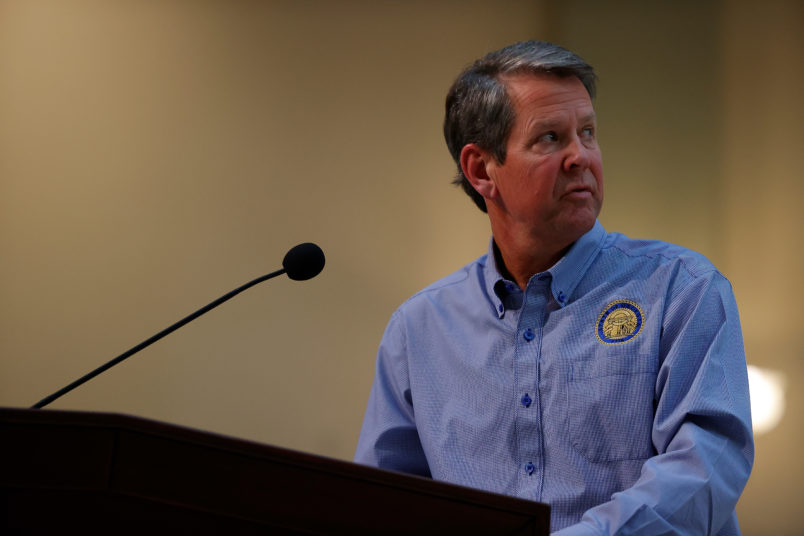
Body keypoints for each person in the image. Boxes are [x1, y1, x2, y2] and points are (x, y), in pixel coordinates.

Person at [354, 41, 753, 535]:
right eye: (550, 138)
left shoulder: (681, 289)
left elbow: (705, 470)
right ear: (481, 169)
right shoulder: (418, 331)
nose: (580, 157)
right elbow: (383, 505)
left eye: (588, 133)